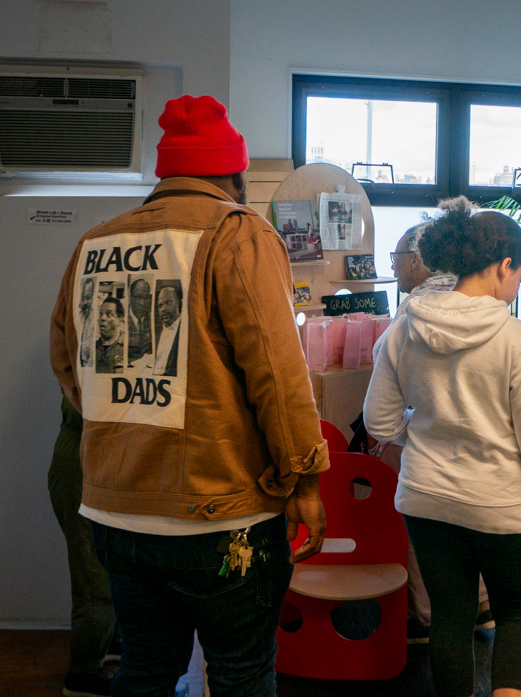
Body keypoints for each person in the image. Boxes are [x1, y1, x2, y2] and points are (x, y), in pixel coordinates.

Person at [50, 94, 329, 696]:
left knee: (146, 669)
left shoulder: (96, 244)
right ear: (233, 174)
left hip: (114, 512)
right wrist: (304, 481)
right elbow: (279, 379)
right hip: (221, 516)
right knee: (240, 671)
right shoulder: (237, 234)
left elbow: (70, 366)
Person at [364, 199, 521, 697]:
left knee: (450, 618)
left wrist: (426, 426)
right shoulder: (518, 340)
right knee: (518, 615)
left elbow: (379, 421)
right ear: (505, 265)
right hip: (505, 510)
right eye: (519, 276)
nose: (517, 288)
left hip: (426, 500)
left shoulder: (404, 329)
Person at [369, 218, 494, 644]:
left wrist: (403, 434)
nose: (396, 267)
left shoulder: (413, 310)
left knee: (425, 534)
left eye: (398, 258)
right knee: (468, 528)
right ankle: (480, 605)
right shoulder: (485, 302)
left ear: (420, 261)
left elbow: (381, 400)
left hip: (424, 439)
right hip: (479, 441)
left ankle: (425, 619)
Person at [48, 395, 118, 697]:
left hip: (101, 461)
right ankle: (82, 678)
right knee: (95, 583)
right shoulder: (84, 348)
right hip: (85, 465)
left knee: (115, 569)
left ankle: (112, 645)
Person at [152, 284, 182, 376]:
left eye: (168, 303)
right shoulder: (154, 332)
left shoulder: (186, 329)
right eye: (160, 306)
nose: (163, 309)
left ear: (177, 303)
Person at [94, 297, 125, 374]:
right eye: (101, 314)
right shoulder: (92, 347)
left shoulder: (126, 347)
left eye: (109, 314)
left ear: (120, 319)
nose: (102, 318)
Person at [126, 278, 153, 366]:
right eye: (138, 297)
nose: (142, 303)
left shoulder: (154, 320)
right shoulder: (122, 318)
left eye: (146, 298)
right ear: (130, 298)